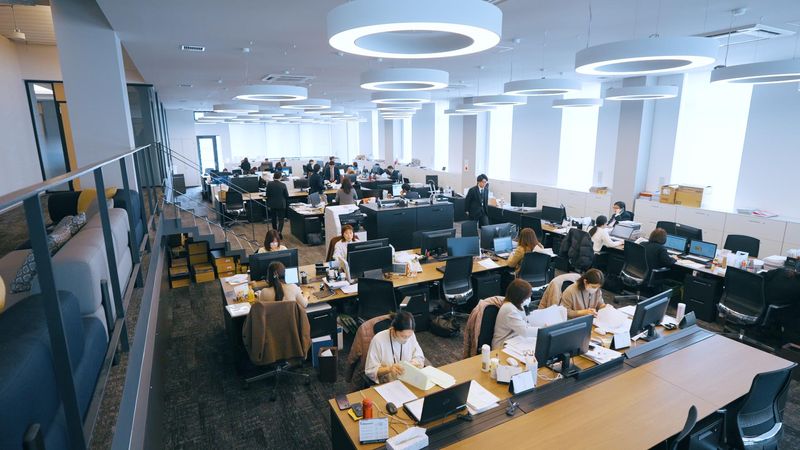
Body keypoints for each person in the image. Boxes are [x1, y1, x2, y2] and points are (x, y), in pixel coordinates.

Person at [364, 311, 425, 384]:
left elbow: (419, 357)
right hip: (387, 383)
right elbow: (370, 370)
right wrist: (389, 369)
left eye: (409, 336)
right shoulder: (378, 340)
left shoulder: (410, 336)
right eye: (403, 336)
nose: (406, 340)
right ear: (393, 330)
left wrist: (413, 364)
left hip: (407, 380)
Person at [492, 279, 537, 349]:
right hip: (502, 345)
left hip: (515, 340)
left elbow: (525, 324)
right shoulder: (509, 309)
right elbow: (525, 331)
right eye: (526, 297)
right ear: (519, 297)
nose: (528, 299)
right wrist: (543, 330)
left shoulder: (518, 305)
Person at [265, 171, 290, 236]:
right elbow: (287, 195)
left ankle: (275, 232)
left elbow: (267, 195)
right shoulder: (283, 185)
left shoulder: (269, 184)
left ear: (274, 177)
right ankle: (279, 232)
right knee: (281, 219)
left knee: (273, 219)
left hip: (272, 204)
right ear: (280, 177)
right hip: (281, 204)